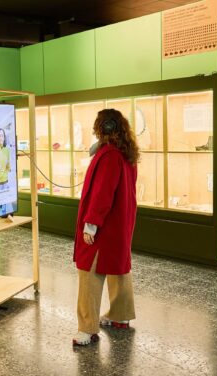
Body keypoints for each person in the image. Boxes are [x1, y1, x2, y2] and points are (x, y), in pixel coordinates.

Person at [72, 108, 139, 346]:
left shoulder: (109, 155)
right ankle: (120, 316)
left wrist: (91, 225)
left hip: (105, 226)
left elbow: (102, 194)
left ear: (102, 128)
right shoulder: (126, 152)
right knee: (119, 268)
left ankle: (87, 329)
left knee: (89, 273)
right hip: (121, 223)